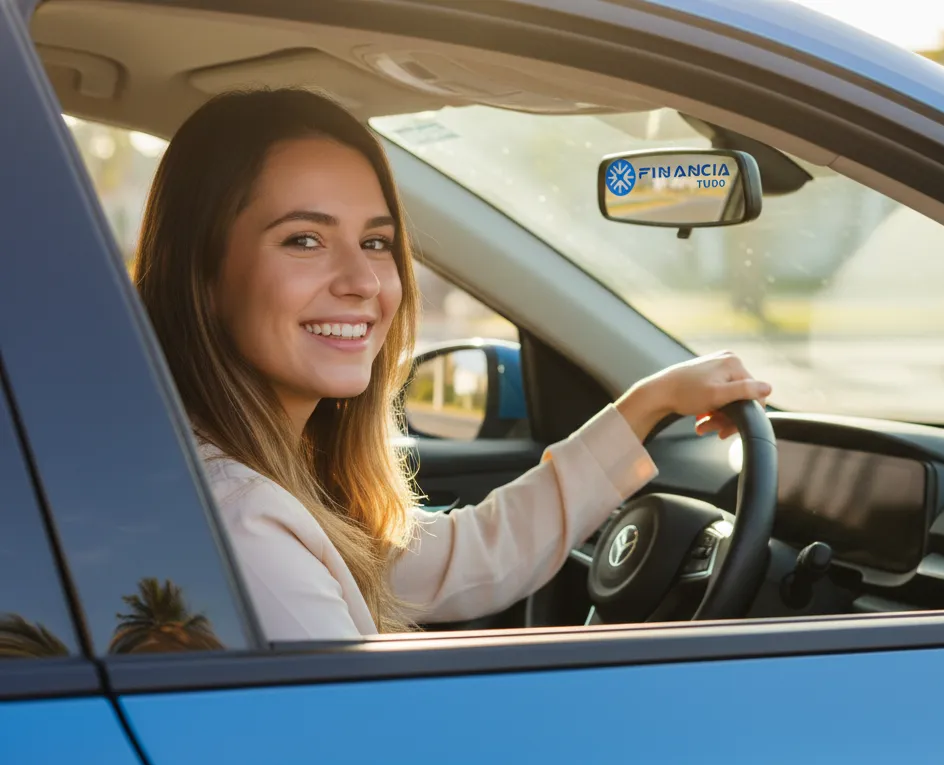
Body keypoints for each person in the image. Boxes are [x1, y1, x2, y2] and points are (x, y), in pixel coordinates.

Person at [133, 89, 771, 641]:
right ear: (203, 276)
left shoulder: (255, 482)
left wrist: (650, 404)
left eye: (376, 242)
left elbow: (467, 559)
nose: (363, 280)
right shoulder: (247, 526)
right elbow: (362, 730)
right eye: (305, 239)